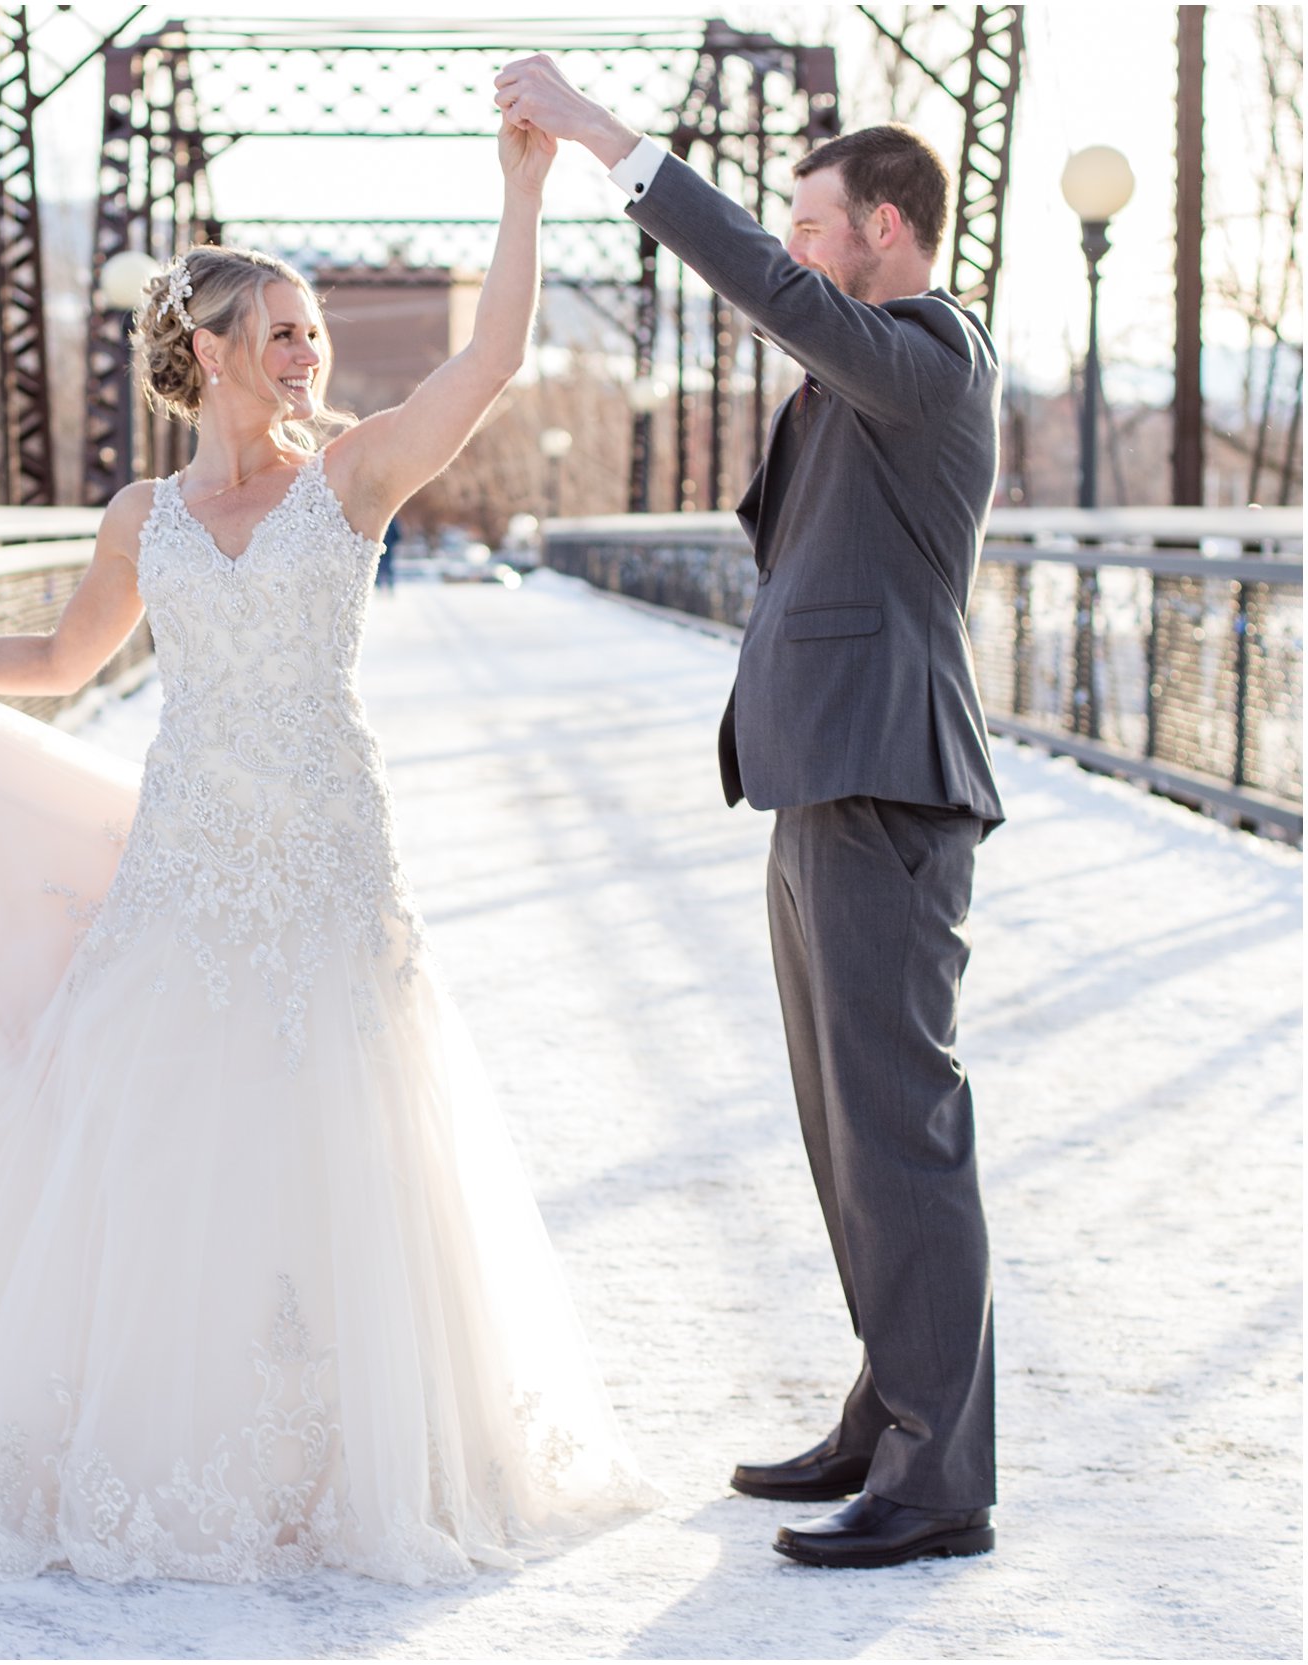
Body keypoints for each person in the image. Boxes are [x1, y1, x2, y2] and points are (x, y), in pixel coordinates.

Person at [0, 109, 656, 1585]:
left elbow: (492, 362)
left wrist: (521, 196)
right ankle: (160, 1433)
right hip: (186, 870)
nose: (305, 354)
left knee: (341, 1139)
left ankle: (344, 1451)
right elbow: (60, 662)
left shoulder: (355, 481)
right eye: (279, 331)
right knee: (151, 1155)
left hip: (327, 863)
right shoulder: (142, 515)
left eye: (314, 332)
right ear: (206, 350)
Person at [493, 59, 1003, 1570]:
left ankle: (940, 1474)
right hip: (820, 776)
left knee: (902, 1129)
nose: (791, 247)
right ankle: (891, 1410)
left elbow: (780, 300)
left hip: (889, 779)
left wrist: (608, 146)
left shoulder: (933, 351)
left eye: (814, 224)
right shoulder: (861, 371)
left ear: (887, 232)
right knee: (848, 1132)